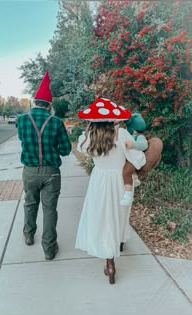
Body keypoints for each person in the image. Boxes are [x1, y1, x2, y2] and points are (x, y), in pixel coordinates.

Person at [75, 98, 146, 284]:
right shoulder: (121, 134)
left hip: (99, 180)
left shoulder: (89, 137)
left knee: (103, 217)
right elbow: (136, 149)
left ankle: (109, 262)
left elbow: (82, 150)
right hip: (120, 180)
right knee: (118, 216)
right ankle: (114, 251)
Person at [17, 71, 71, 260]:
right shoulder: (56, 122)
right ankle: (49, 249)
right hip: (51, 173)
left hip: (29, 171)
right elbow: (65, 150)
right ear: (49, 105)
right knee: (49, 210)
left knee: (30, 203)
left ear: (35, 102)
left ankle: (29, 235)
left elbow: (23, 140)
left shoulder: (22, 120)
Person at [121, 113, 163, 206]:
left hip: (136, 158)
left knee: (126, 172)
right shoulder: (128, 135)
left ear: (134, 129)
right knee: (127, 169)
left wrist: (134, 145)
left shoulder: (139, 136)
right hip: (131, 158)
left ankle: (127, 194)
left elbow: (144, 145)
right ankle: (135, 177)